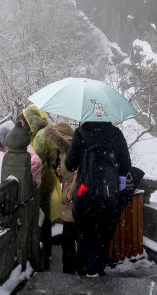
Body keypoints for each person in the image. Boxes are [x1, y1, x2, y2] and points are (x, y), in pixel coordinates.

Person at [65, 120, 131, 277]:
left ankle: (82, 272)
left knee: (84, 236)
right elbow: (126, 165)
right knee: (102, 238)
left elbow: (70, 165)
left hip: (85, 195)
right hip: (109, 196)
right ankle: (96, 271)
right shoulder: (116, 134)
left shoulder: (80, 133)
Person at [20, 105, 61, 267]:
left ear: (31, 121)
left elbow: (36, 162)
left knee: (43, 216)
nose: (23, 126)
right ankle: (46, 251)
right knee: (46, 216)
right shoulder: (44, 133)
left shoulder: (40, 137)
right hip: (48, 177)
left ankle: (44, 253)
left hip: (43, 179)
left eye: (24, 122)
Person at [43, 122, 78, 274]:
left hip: (73, 203)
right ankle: (71, 270)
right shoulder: (65, 152)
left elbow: (79, 174)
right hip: (70, 203)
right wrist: (61, 173)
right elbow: (70, 173)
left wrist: (70, 193)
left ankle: (70, 273)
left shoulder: (71, 150)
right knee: (69, 240)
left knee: (69, 240)